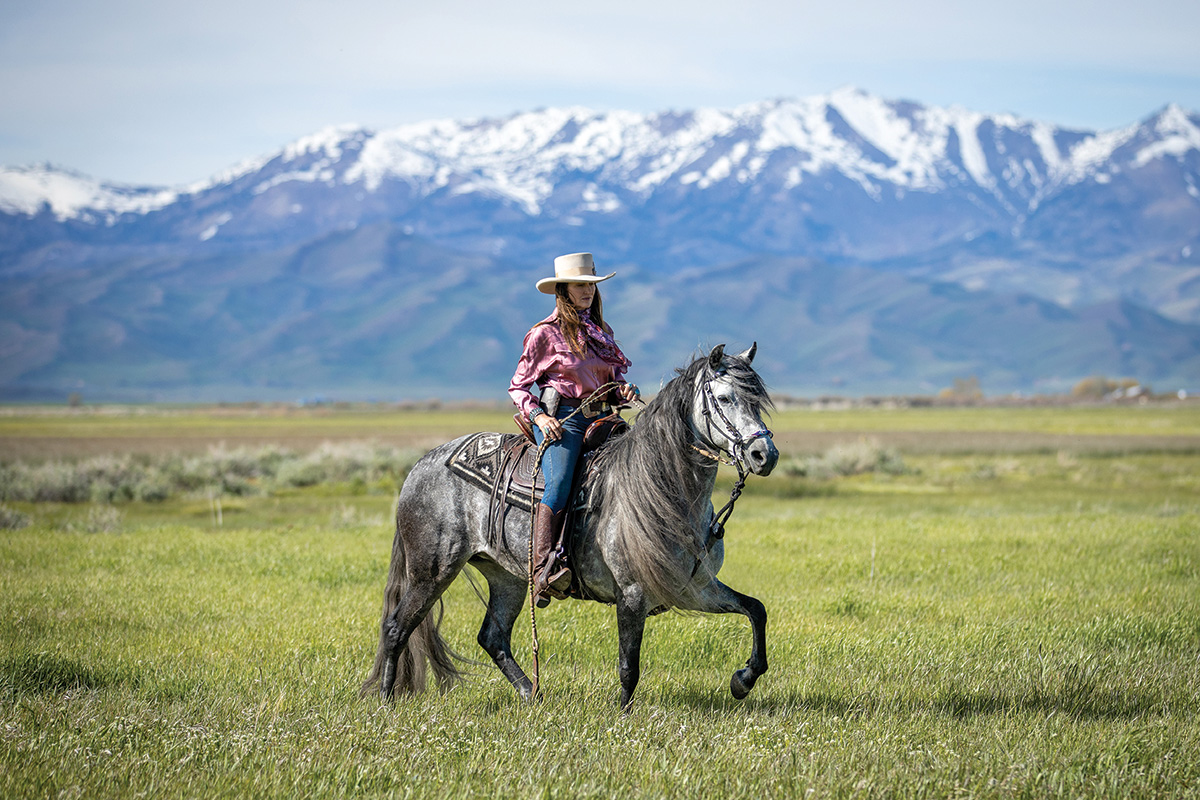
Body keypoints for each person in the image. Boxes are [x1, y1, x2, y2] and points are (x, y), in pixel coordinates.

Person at [509, 252, 639, 606]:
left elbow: (613, 380)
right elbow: (518, 387)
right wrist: (540, 417)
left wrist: (623, 390)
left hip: (603, 419)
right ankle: (544, 567)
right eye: (580, 285)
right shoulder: (544, 334)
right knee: (560, 484)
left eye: (591, 286)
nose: (587, 292)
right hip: (563, 419)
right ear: (563, 290)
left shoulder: (602, 333)